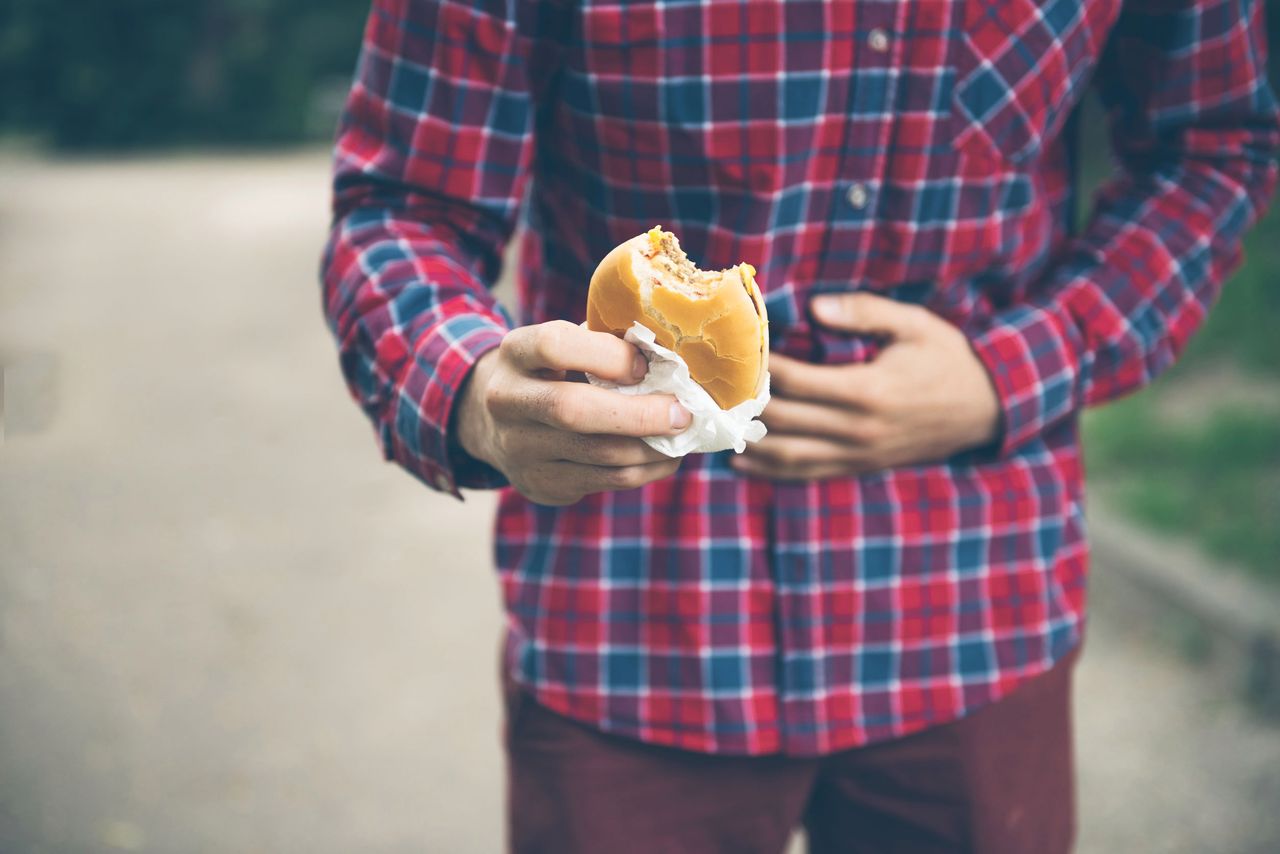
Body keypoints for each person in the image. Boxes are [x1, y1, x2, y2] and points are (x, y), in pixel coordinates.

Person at [320, 1, 1277, 851]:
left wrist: (1015, 372)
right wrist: (475, 391)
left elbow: (1216, 144)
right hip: (631, 615)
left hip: (975, 597)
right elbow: (402, 205)